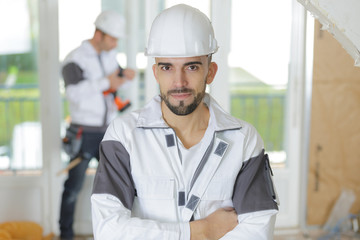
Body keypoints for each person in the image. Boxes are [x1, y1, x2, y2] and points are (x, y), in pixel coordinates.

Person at [91, 4, 278, 240]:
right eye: (167, 67)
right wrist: (200, 231)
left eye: (191, 67)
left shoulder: (244, 140)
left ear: (210, 72)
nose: (179, 82)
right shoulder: (124, 136)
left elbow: (257, 231)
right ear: (156, 72)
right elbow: (108, 231)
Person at [59, 10, 135, 240]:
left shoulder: (110, 56)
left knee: (117, 186)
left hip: (107, 132)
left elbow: (111, 88)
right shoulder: (75, 58)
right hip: (83, 133)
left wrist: (122, 78)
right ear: (99, 34)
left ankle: (116, 234)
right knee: (73, 189)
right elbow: (73, 94)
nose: (115, 44)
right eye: (112, 38)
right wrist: (106, 82)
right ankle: (65, 235)